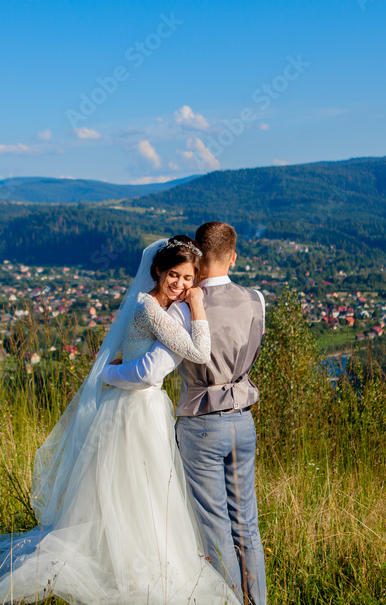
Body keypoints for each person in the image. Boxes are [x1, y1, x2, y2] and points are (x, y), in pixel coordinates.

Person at [0, 235, 241, 605]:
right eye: (174, 275)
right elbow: (199, 352)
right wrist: (199, 306)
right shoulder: (149, 308)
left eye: (189, 279)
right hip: (131, 409)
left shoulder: (161, 305)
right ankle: (121, 565)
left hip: (143, 405)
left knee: (146, 492)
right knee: (129, 490)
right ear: (157, 271)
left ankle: (134, 559)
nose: (181, 285)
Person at [102, 222, 268, 604]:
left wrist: (108, 373)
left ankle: (225, 599)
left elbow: (153, 368)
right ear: (233, 257)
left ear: (198, 257)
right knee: (247, 524)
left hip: (202, 423)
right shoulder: (256, 299)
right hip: (243, 420)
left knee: (214, 526)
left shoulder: (180, 310)